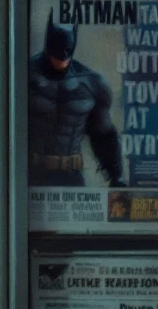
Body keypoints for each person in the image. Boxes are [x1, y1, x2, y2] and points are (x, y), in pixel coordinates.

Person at [28, 10, 125, 187]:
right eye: (56, 57)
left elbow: (102, 134)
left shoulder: (91, 83)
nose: (60, 63)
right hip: (31, 175)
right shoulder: (24, 76)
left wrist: (116, 176)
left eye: (65, 57)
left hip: (70, 177)